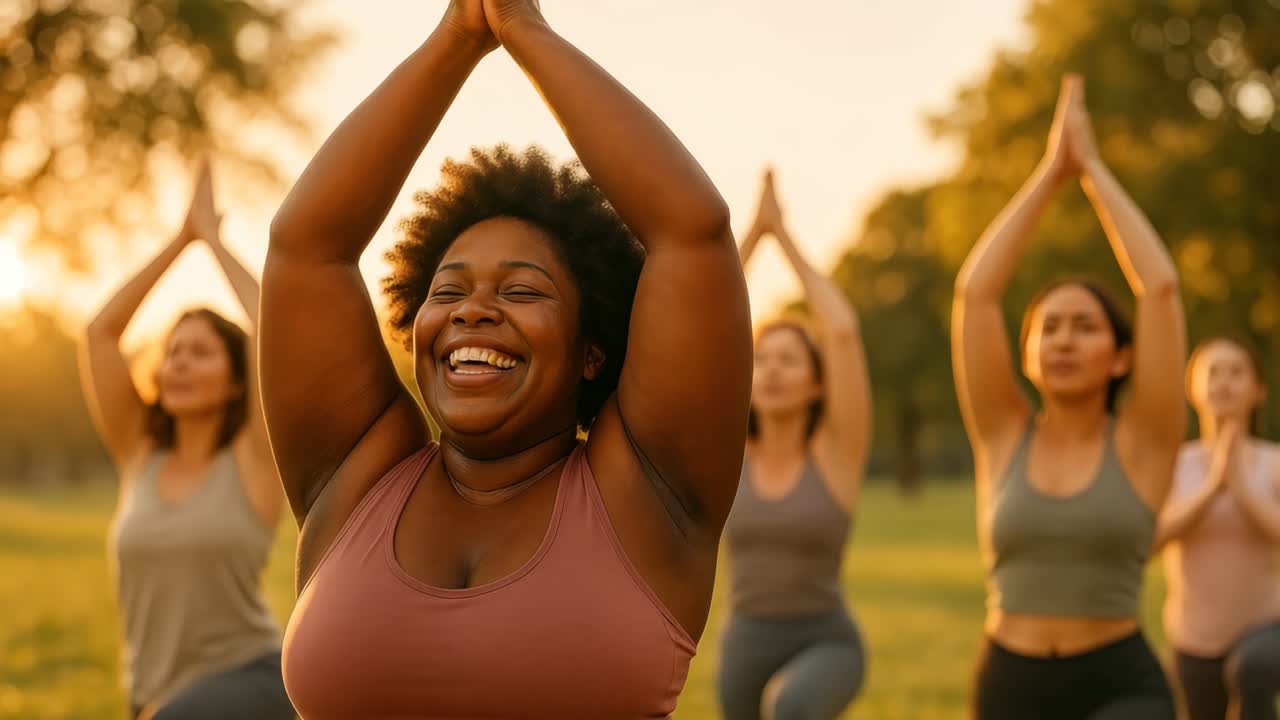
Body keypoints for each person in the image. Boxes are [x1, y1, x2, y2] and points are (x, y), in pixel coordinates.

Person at [261, 1, 752, 717]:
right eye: (448, 289)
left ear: (592, 351)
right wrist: (458, 31)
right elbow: (305, 248)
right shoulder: (360, 472)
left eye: (522, 290)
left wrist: (521, 27)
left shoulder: (648, 492)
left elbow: (691, 233)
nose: (472, 309)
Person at [952, 75, 1186, 719]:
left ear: (1120, 357)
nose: (1064, 339)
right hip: (1008, 682)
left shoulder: (1144, 441)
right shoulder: (1003, 434)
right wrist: (1050, 173)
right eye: (1048, 327)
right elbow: (976, 295)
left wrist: (1092, 172)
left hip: (1119, 685)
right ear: (1026, 357)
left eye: (1085, 327)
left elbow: (1160, 289)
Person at [79, 161, 293, 720]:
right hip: (151, 696)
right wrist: (181, 239)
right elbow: (99, 333)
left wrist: (215, 245)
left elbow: (273, 325)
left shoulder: (253, 459)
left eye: (200, 353)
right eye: (173, 351)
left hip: (250, 678)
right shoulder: (139, 454)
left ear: (236, 381)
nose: (179, 363)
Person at [717, 170, 870, 720]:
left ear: (817, 383)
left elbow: (843, 330)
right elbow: (706, 316)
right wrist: (753, 233)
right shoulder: (729, 454)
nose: (773, 371)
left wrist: (786, 241)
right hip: (743, 643)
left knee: (795, 706)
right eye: (762, 359)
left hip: (825, 641)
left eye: (790, 359)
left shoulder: (836, 455)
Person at [1159, 335, 1280, 720]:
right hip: (1193, 637)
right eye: (1213, 372)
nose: (1224, 382)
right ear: (1192, 388)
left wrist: (1242, 489)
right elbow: (1151, 540)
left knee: (1253, 668)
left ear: (1258, 390)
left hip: (1267, 627)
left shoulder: (1273, 462)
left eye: (1237, 372)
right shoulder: (1174, 465)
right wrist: (1213, 487)